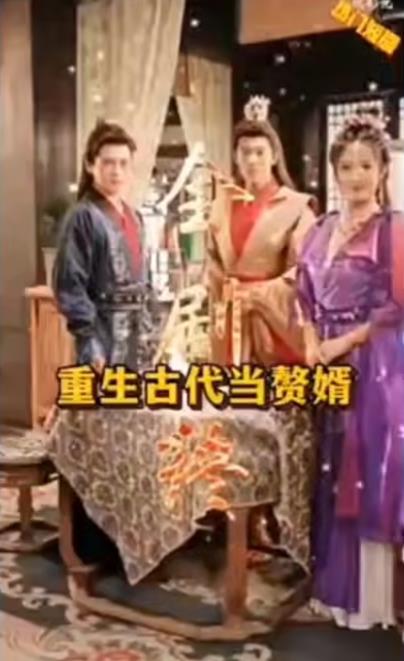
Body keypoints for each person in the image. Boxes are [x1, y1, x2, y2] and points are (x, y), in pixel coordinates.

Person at [297, 110, 404, 629]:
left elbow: (394, 306)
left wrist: (342, 342)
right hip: (326, 362)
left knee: (363, 471)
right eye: (347, 166)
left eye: (366, 165)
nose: (356, 176)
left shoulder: (392, 230)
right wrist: (311, 339)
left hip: (372, 365)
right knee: (328, 465)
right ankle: (332, 592)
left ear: (382, 171)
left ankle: (369, 603)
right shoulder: (320, 229)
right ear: (334, 171)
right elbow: (303, 292)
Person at [205, 95, 317, 548]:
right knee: (232, 426)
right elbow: (212, 264)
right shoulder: (221, 204)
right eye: (244, 152)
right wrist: (224, 292)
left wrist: (259, 295)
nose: (251, 159)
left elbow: (304, 272)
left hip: (275, 331)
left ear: (274, 156)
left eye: (259, 151)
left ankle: (281, 520)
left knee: (278, 429)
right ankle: (237, 520)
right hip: (230, 331)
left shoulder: (297, 207)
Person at [53, 120, 156, 372]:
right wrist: (89, 341)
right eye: (108, 163)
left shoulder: (135, 217)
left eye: (123, 163)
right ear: (91, 165)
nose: (116, 171)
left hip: (138, 335)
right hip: (103, 334)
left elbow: (145, 280)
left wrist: (153, 328)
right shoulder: (83, 216)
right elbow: (69, 285)